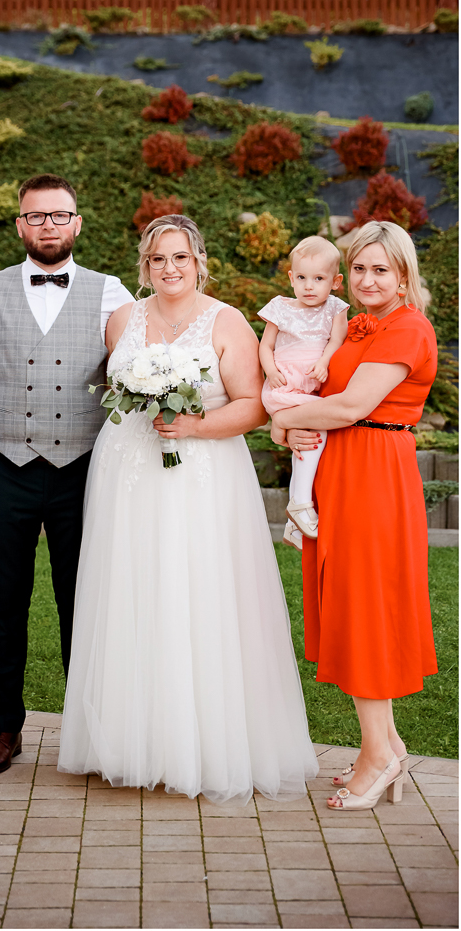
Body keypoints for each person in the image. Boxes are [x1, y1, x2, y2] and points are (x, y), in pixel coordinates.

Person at [57, 214, 319, 804]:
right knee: (130, 593)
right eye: (157, 259)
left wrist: (194, 426)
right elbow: (115, 391)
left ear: (199, 261)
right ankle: (128, 743)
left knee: (197, 593)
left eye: (180, 257)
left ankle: (202, 746)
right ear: (144, 266)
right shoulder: (123, 320)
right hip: (126, 474)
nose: (169, 268)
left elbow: (253, 405)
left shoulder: (227, 322)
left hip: (201, 476)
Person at [271, 220, 438, 811]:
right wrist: (294, 425)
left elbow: (351, 406)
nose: (367, 280)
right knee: (349, 602)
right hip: (342, 468)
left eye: (380, 270)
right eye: (359, 268)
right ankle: (388, 746)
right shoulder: (360, 325)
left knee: (366, 607)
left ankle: (377, 757)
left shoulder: (407, 328)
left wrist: (282, 421)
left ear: (404, 276)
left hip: (374, 475)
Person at [0, 173, 134, 775]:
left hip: (82, 469)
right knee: (4, 603)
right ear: (20, 224)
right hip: (4, 465)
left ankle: (86, 733)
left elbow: (144, 360)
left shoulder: (110, 291)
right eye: (36, 216)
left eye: (59, 215)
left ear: (77, 223)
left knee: (82, 602)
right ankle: (4, 728)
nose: (48, 225)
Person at [258, 236, 349, 550]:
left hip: (310, 385)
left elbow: (336, 341)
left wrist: (323, 362)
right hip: (284, 386)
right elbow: (266, 346)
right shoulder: (281, 307)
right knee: (317, 430)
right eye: (301, 278)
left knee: (305, 439)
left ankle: (294, 518)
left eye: (319, 279)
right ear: (291, 277)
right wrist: (270, 371)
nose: (309, 286)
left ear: (335, 282)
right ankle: (300, 502)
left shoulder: (335, 308)